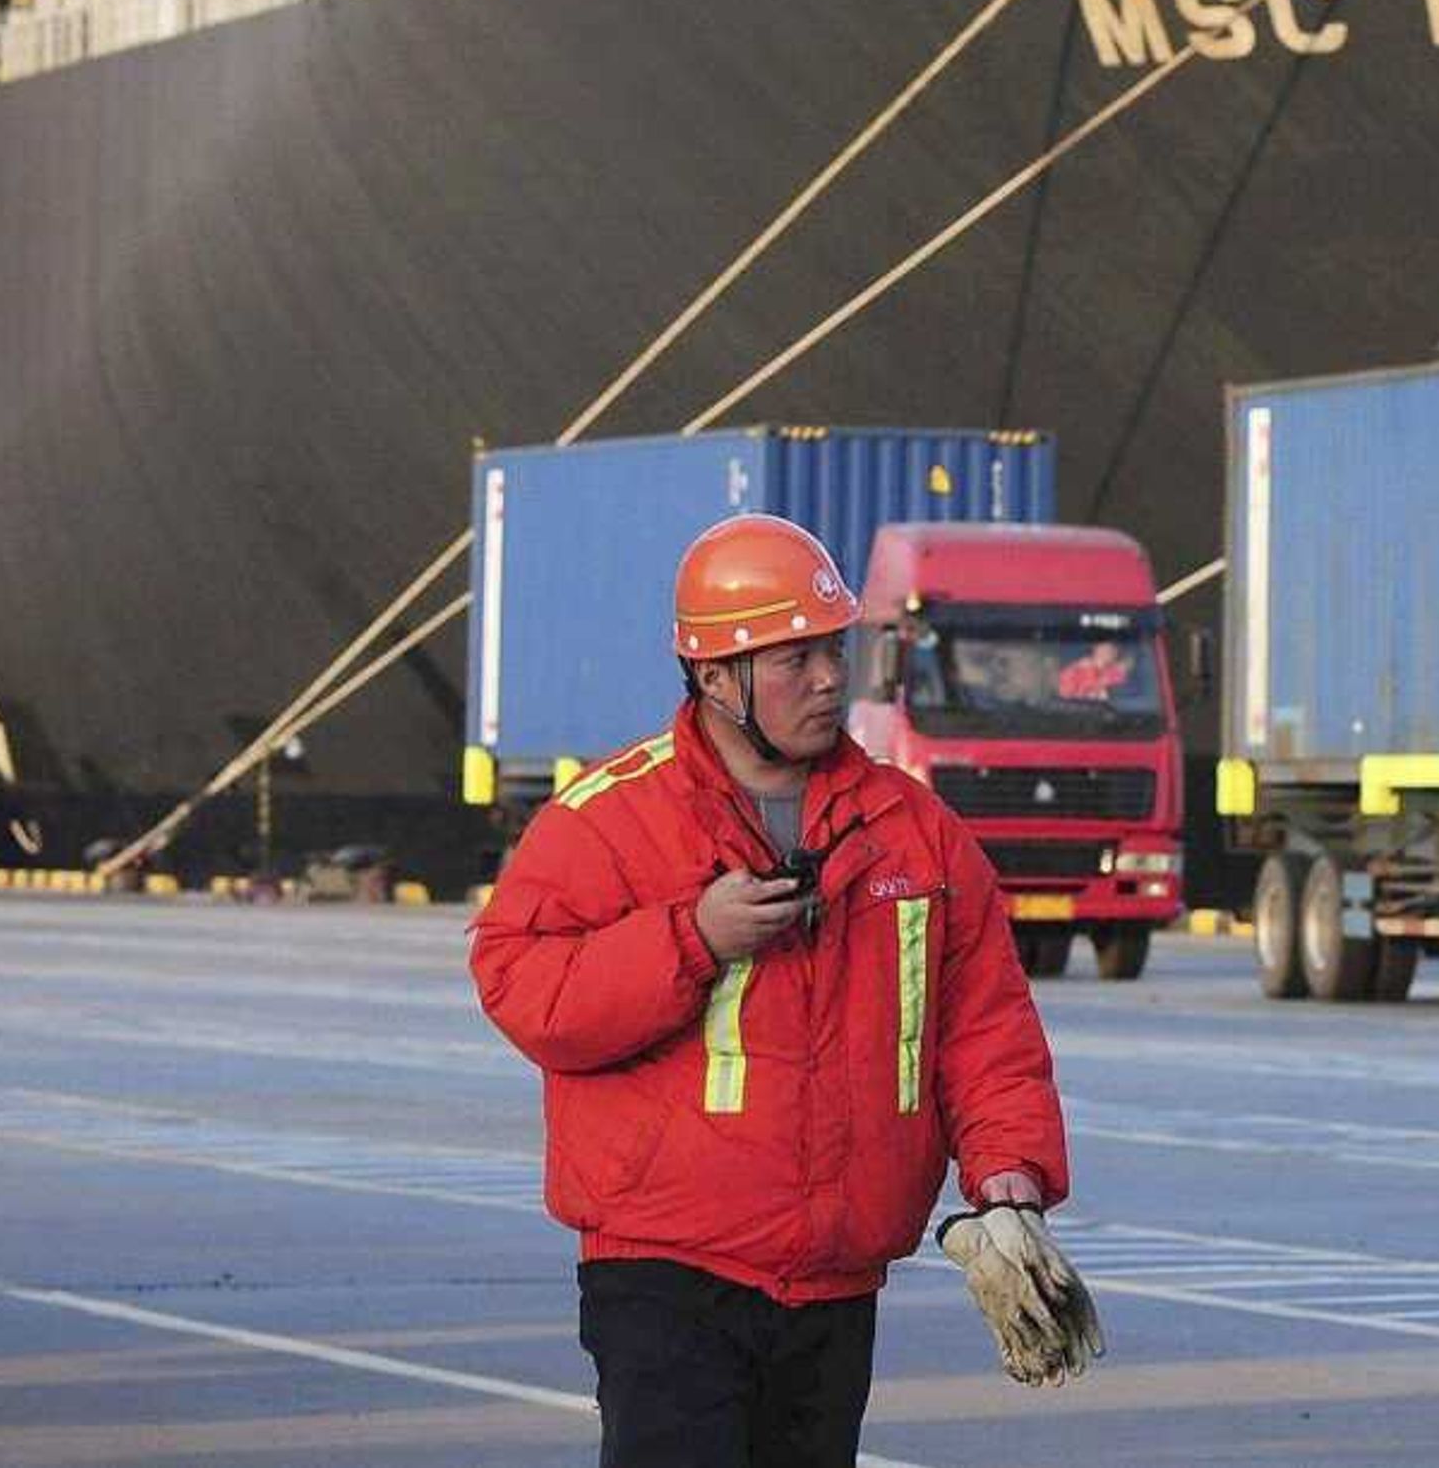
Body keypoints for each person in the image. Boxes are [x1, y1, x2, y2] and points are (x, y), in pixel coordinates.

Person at [470, 513, 1098, 1466]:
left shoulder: (911, 830)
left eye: (833, 651)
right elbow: (523, 986)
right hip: (667, 1273)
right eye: (793, 658)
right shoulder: (607, 821)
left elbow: (987, 1028)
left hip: (836, 1286)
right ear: (716, 677)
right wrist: (692, 936)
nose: (828, 679)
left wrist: (1009, 1179)